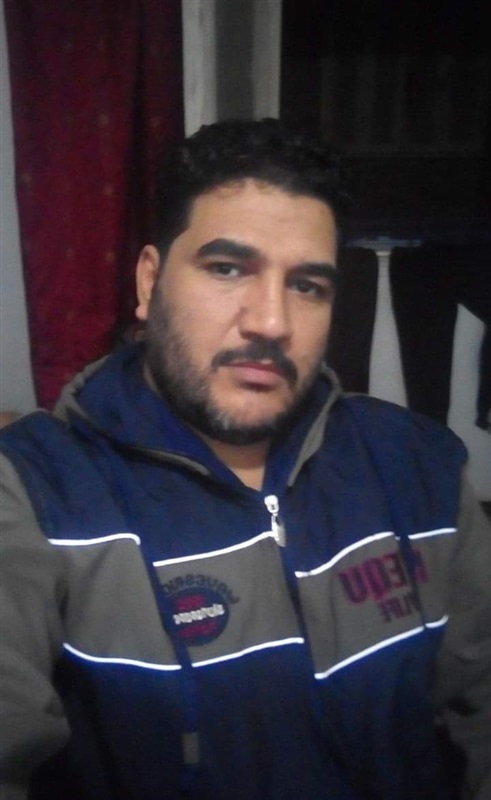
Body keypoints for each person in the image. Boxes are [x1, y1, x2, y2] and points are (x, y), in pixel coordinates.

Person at [0, 119, 490, 800]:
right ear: (149, 282)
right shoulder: (31, 492)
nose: (270, 322)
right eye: (227, 269)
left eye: (307, 285)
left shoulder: (418, 464)